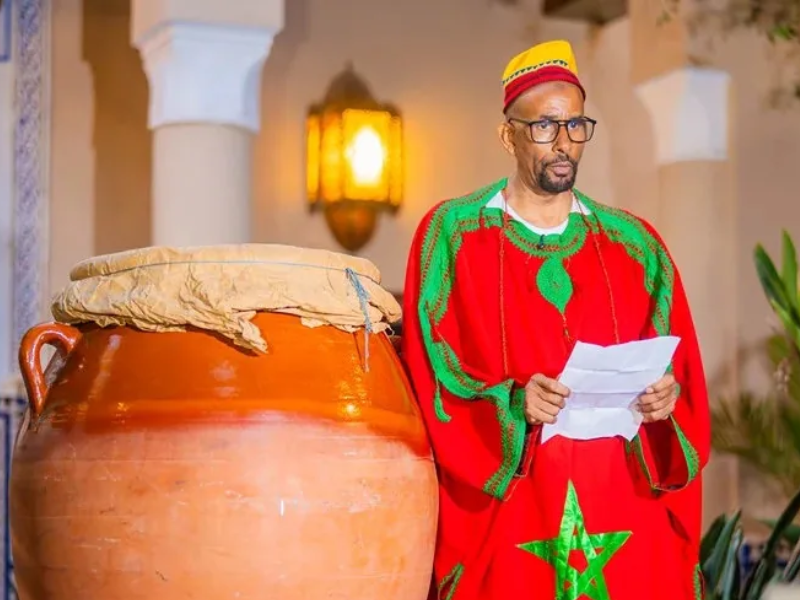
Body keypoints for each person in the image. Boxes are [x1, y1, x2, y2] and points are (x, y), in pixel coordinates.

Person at [401, 39, 710, 600]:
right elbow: (431, 371)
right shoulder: (453, 236)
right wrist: (512, 403)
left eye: (576, 125)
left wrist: (665, 402)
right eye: (544, 127)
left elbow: (680, 371)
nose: (564, 143)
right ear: (507, 134)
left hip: (622, 499)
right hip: (516, 509)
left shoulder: (635, 245)